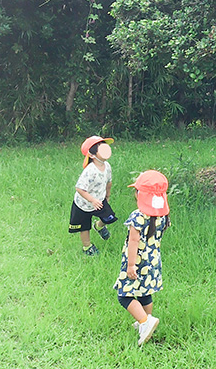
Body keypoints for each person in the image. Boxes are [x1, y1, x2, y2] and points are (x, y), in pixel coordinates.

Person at [113, 169, 170, 346]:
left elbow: (133, 241)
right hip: (153, 261)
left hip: (137, 262)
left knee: (124, 295)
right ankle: (146, 319)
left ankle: (145, 322)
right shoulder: (163, 214)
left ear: (140, 194)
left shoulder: (138, 216)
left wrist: (131, 265)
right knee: (145, 293)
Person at [68, 135, 118, 255]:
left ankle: (99, 226)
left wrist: (108, 195)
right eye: (101, 148)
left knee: (109, 217)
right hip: (83, 204)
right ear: (92, 155)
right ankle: (87, 247)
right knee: (84, 227)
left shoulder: (107, 166)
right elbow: (79, 188)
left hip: (100, 199)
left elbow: (109, 181)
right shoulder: (90, 171)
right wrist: (92, 200)